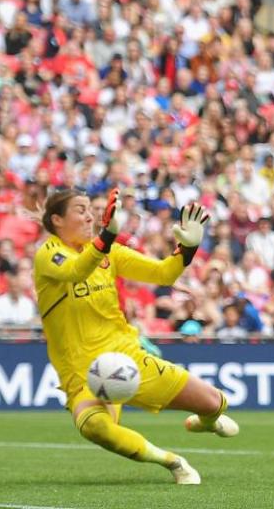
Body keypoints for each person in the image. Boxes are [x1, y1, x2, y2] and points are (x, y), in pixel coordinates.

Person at [33, 188, 240, 485]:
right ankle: (173, 462)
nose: (90, 215)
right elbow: (76, 271)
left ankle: (206, 421)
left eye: (91, 209)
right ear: (57, 220)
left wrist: (188, 248)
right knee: (94, 427)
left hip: (126, 355)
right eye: (81, 210)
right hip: (82, 371)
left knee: (215, 402)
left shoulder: (109, 252)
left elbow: (163, 274)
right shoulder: (48, 254)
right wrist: (106, 238)